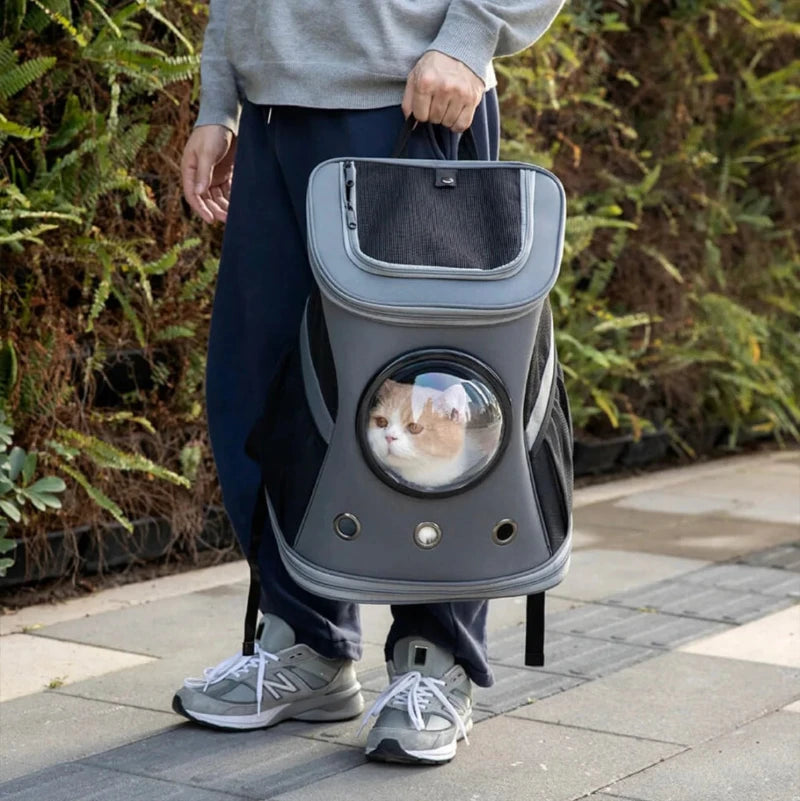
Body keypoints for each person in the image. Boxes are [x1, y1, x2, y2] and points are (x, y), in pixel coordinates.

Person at [174, 0, 565, 765]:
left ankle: (435, 660)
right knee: (265, 396)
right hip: (273, 113)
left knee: (430, 391)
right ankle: (307, 642)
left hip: (410, 101)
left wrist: (470, 37)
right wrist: (220, 97)